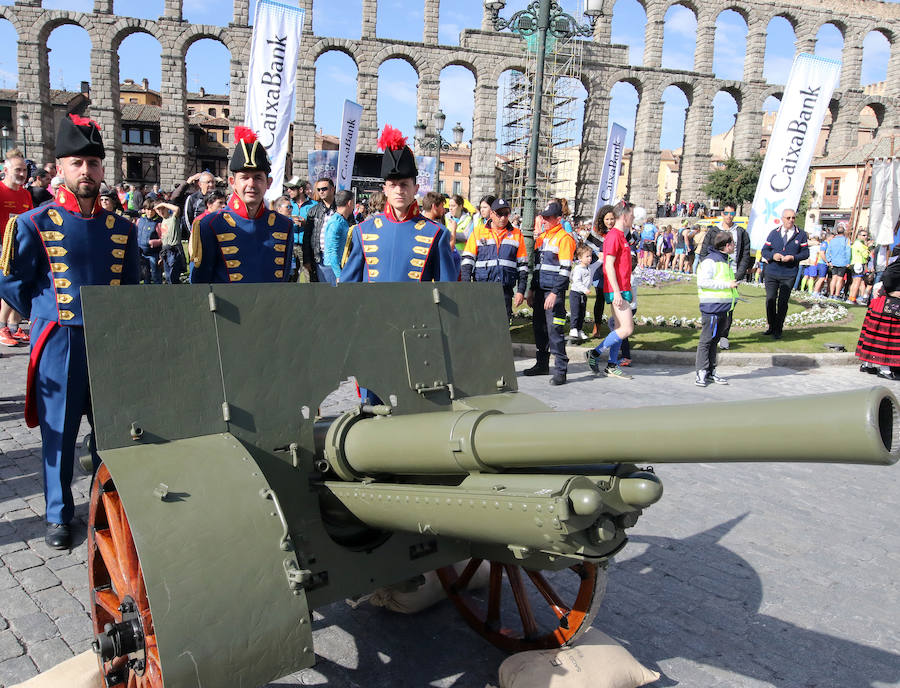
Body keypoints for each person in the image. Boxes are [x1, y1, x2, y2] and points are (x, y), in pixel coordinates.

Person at [0, 114, 140, 549]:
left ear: (103, 169)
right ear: (59, 166)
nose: (86, 171)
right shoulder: (32, 223)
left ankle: (105, 507)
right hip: (59, 340)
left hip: (109, 342)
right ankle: (58, 514)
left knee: (110, 431)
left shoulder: (123, 229)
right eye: (77, 163)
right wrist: (45, 313)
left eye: (94, 163)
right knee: (58, 433)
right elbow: (12, 283)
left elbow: (133, 289)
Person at [341, 125, 456, 283]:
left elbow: (447, 290)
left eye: (404, 184)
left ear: (416, 188)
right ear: (385, 190)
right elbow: (349, 289)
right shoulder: (361, 231)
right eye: (393, 185)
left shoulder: (437, 233)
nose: (398, 190)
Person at [189, 127, 293, 284]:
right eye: (244, 177)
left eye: (258, 177)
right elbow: (200, 286)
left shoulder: (284, 225)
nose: (251, 184)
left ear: (268, 183)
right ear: (233, 183)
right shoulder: (208, 225)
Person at [523, 201, 576, 386]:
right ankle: (542, 364)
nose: (544, 220)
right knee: (540, 329)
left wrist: (555, 293)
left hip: (554, 293)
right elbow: (536, 267)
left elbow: (565, 270)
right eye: (543, 217)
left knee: (555, 331)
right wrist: (531, 290)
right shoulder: (542, 237)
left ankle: (561, 370)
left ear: (558, 219)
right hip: (539, 290)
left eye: (548, 218)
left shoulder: (565, 239)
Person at [586, 201, 635, 380]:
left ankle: (612, 365)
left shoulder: (621, 235)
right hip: (618, 289)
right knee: (627, 329)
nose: (634, 218)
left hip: (622, 287)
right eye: (632, 215)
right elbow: (608, 265)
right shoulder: (614, 236)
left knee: (620, 328)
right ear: (624, 215)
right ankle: (595, 353)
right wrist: (616, 292)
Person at [460, 197, 528, 321]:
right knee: (481, 325)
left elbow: (523, 266)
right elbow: (467, 261)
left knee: (502, 328)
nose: (503, 218)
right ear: (492, 214)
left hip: (505, 290)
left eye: (506, 214)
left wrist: (521, 291)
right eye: (500, 214)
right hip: (481, 289)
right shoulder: (478, 232)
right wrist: (466, 287)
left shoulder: (517, 234)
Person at [699, 202, 750, 350]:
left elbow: (746, 254)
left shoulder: (740, 232)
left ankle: (724, 336)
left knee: (729, 306)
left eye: (732, 214)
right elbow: (704, 251)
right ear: (722, 214)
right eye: (727, 213)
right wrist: (708, 265)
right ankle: (712, 335)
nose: (729, 216)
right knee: (714, 305)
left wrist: (739, 274)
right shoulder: (714, 231)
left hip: (732, 272)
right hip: (716, 271)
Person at [694, 231, 738, 386]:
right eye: (732, 243)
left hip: (723, 308)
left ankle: (711, 371)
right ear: (726, 245)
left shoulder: (725, 261)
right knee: (706, 341)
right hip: (712, 307)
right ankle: (701, 372)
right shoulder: (710, 261)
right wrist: (728, 285)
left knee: (714, 341)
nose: (734, 246)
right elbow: (703, 282)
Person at [0, 148, 33, 347]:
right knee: (8, 286)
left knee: (23, 285)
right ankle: (2, 327)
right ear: (6, 169)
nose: (22, 174)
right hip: (3, 248)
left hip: (21, 248)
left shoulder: (25, 195)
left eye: (24, 170)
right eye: (18, 170)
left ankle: (14, 327)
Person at [760, 208, 809, 340]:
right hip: (772, 271)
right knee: (770, 299)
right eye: (788, 218)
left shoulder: (801, 234)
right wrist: (772, 255)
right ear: (782, 219)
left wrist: (792, 258)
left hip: (789, 273)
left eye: (793, 218)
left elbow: (805, 253)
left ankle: (778, 328)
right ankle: (771, 325)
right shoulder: (774, 233)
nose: (791, 220)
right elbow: (764, 250)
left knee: (783, 302)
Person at [856, 251, 900, 379]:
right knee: (887, 337)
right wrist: (891, 291)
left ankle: (868, 364)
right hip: (888, 304)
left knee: (874, 334)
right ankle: (884, 369)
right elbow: (887, 276)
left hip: (884, 302)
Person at [301, 177, 337, 282]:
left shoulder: (341, 208)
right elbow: (307, 237)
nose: (321, 191)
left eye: (324, 189)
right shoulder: (313, 211)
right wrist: (307, 260)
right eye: (319, 189)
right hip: (319, 257)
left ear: (332, 189)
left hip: (338, 256)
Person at [586, 205, 614, 337]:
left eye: (612, 219)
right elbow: (586, 250)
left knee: (616, 300)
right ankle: (597, 327)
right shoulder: (597, 232)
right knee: (600, 298)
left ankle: (617, 326)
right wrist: (598, 255)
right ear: (602, 219)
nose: (610, 222)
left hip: (614, 271)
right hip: (600, 271)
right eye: (607, 219)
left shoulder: (619, 232)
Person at [421, 191, 461, 279]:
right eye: (442, 206)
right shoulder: (440, 230)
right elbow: (450, 249)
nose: (444, 210)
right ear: (434, 206)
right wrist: (453, 230)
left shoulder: (415, 225)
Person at [321, 189, 354, 285]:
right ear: (350, 203)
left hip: (339, 267)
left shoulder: (342, 220)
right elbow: (332, 251)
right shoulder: (336, 223)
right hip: (333, 269)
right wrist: (338, 275)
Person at [154, 200, 186, 284]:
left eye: (163, 209)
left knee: (173, 276)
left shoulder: (173, 218)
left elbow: (177, 209)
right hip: (165, 251)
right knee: (168, 276)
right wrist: (161, 257)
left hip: (174, 250)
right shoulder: (162, 221)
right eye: (159, 210)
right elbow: (163, 239)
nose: (161, 212)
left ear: (167, 209)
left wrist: (163, 204)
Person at [569, 244, 593, 341]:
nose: (589, 258)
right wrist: (584, 289)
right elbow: (576, 281)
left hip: (583, 294)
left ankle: (579, 329)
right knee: (575, 312)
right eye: (587, 256)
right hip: (576, 293)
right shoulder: (578, 269)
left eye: (590, 256)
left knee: (582, 313)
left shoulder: (588, 268)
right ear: (580, 257)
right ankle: (573, 328)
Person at [137, 199, 163, 284]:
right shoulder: (140, 220)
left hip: (153, 254)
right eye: (148, 209)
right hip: (142, 253)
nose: (150, 212)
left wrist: (155, 242)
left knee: (155, 274)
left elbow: (163, 239)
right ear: (144, 209)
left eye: (152, 210)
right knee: (145, 274)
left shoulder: (158, 223)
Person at [825, 223, 850, 298]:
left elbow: (828, 251)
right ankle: (836, 295)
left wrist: (829, 261)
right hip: (842, 262)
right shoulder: (846, 240)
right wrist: (848, 262)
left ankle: (831, 294)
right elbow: (848, 252)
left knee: (833, 278)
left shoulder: (832, 241)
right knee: (840, 279)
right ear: (844, 232)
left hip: (834, 262)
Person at [849, 230, 872, 304]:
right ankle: (852, 298)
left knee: (855, 281)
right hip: (858, 264)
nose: (865, 237)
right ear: (859, 236)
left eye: (866, 235)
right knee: (857, 282)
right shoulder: (859, 244)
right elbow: (866, 255)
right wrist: (867, 247)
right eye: (863, 235)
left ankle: (851, 297)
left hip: (854, 263)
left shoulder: (856, 243)